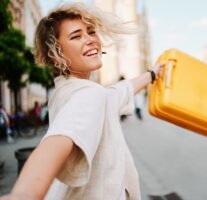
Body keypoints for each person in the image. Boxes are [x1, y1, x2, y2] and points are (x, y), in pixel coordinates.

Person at [0, 3, 164, 200]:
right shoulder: (88, 95)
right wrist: (23, 195)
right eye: (76, 36)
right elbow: (56, 142)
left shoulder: (67, 91)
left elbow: (119, 91)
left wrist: (152, 74)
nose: (90, 40)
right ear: (56, 53)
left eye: (91, 32)